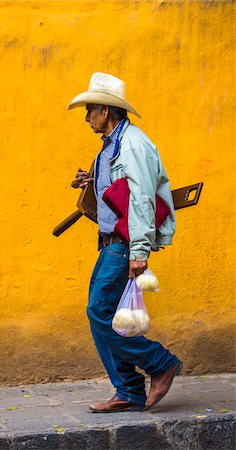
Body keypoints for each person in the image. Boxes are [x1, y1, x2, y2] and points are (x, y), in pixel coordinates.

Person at [68, 72, 182, 413]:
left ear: (105, 110)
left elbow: (143, 198)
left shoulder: (132, 144)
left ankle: (160, 362)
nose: (87, 117)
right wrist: (91, 183)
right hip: (111, 241)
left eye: (90, 110)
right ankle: (129, 391)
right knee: (105, 313)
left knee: (99, 312)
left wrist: (140, 252)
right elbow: (118, 191)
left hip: (124, 243)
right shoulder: (112, 145)